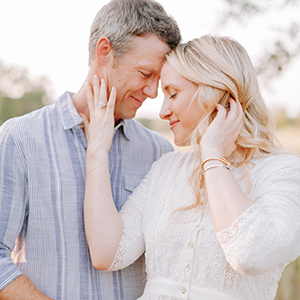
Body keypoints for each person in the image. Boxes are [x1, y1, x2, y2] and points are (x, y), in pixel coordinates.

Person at [83, 34, 300, 300]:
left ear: (215, 91)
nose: (163, 111)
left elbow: (250, 254)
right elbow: (107, 253)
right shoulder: (166, 169)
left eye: (172, 94)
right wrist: (96, 151)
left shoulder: (284, 171)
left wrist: (212, 156)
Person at [0, 0, 181, 299]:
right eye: (145, 74)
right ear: (104, 51)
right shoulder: (20, 138)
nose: (152, 92)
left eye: (158, 81)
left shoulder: (158, 152)